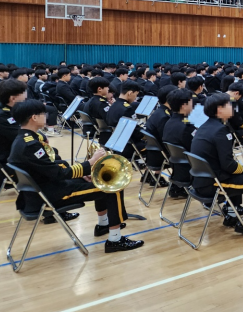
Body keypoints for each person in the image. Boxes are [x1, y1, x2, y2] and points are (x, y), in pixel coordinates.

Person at [8, 99, 144, 252]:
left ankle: (104, 225)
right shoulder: (30, 145)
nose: (46, 115)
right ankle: (115, 239)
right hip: (50, 196)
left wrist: (84, 173)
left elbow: (50, 169)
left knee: (97, 179)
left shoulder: (24, 139)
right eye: (43, 113)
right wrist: (90, 162)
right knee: (113, 188)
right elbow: (58, 173)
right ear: (34, 117)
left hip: (41, 190)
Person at [191, 93, 243, 235]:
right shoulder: (220, 130)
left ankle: (232, 216)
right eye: (228, 104)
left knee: (236, 174)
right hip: (213, 184)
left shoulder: (204, 126)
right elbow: (229, 166)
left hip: (201, 181)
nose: (232, 107)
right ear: (219, 110)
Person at [161, 88, 196, 199]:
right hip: (190, 170)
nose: (193, 104)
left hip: (177, 168)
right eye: (191, 101)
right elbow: (196, 149)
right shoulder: (186, 127)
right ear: (184, 105)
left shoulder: (169, 121)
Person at [0, 79, 27, 189]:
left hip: (9, 154)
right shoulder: (1, 116)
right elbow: (21, 137)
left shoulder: (4, 108)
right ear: (13, 98)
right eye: (23, 93)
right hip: (5, 163)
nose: (26, 96)